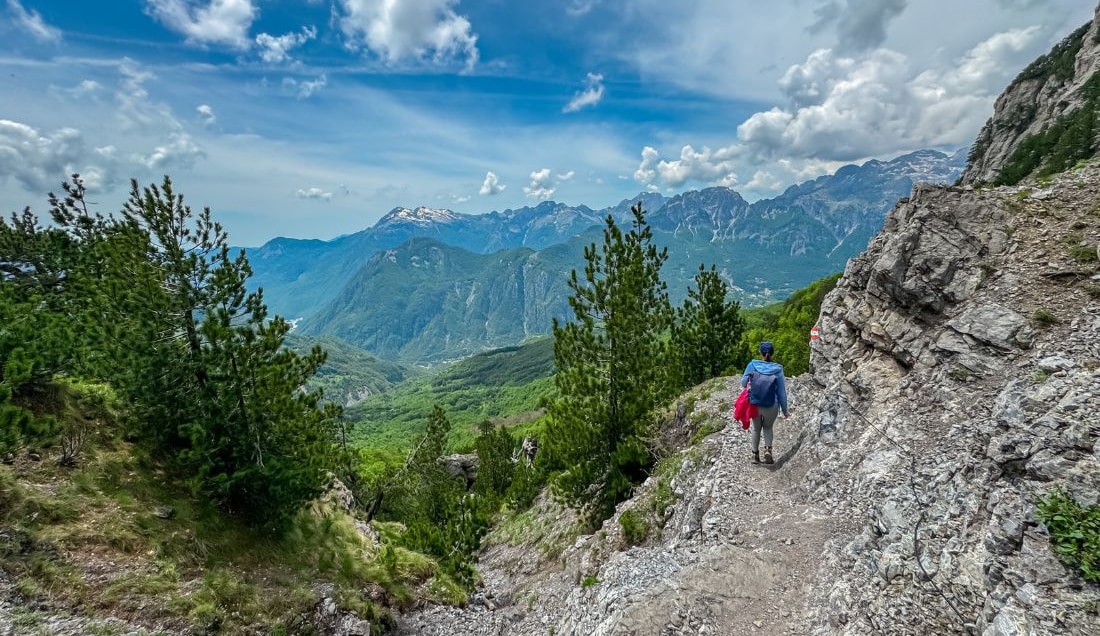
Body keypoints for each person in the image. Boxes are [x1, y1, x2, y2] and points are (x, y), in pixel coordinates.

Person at [740, 341, 789, 464]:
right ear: (772, 353)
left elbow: (743, 383)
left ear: (760, 353)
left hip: (755, 403)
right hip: (771, 405)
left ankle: (755, 455)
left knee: (756, 429)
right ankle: (768, 450)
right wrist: (785, 410)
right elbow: (782, 392)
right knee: (768, 427)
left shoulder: (752, 365)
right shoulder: (777, 369)